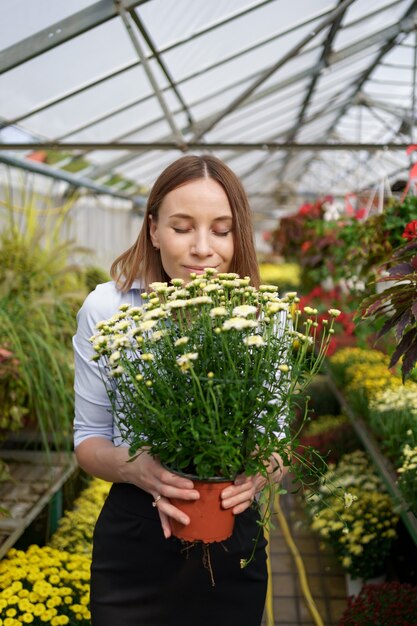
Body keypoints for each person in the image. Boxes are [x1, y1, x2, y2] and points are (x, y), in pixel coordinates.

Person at [73, 154, 287, 626]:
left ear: (239, 235)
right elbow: (87, 441)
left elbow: (276, 442)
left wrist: (261, 474)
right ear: (153, 229)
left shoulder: (264, 317)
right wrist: (139, 469)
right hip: (135, 536)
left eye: (221, 229)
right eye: (182, 226)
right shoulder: (108, 309)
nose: (203, 248)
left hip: (231, 534)